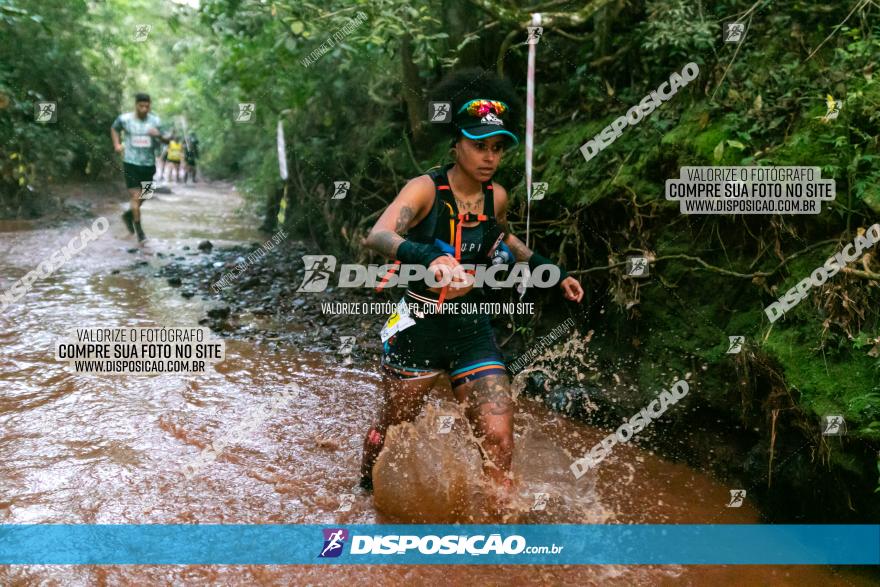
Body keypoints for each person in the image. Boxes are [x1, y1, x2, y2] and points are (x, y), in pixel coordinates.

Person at [359, 69, 584, 502]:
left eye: (497, 148)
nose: (489, 157)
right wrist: (432, 257)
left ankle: (497, 545)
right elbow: (379, 234)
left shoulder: (495, 195)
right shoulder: (424, 189)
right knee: (388, 433)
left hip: (471, 329)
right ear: (456, 143)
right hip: (417, 328)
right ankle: (363, 493)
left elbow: (501, 237)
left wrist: (552, 272)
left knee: (499, 441)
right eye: (479, 146)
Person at [111, 93, 169, 242]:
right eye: (141, 106)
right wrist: (117, 144)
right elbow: (114, 128)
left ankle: (129, 214)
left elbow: (166, 140)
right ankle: (140, 232)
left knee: (146, 195)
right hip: (131, 163)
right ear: (136, 105)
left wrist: (159, 135)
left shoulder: (155, 121)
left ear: (150, 106)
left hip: (148, 163)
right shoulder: (125, 119)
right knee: (135, 197)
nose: (144, 109)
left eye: (147, 106)